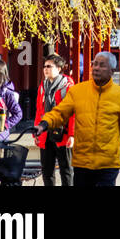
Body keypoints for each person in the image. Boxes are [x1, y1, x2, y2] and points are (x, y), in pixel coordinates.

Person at [34, 51, 120, 187]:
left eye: (102, 65)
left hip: (108, 162)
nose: (97, 68)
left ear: (112, 71)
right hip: (82, 161)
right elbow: (60, 112)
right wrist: (44, 124)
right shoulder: (78, 91)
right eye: (95, 64)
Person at [35, 53, 75, 186]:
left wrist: (72, 135)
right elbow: (39, 110)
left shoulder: (67, 86)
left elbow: (73, 113)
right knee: (47, 171)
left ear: (59, 68)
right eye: (44, 66)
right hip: (45, 134)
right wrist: (36, 130)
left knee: (66, 170)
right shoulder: (43, 86)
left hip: (62, 133)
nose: (45, 69)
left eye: (49, 66)